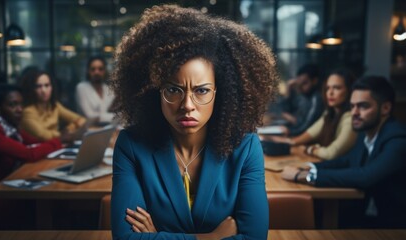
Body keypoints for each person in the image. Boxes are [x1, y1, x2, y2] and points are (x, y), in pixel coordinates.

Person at [109, 5, 278, 240]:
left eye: (201, 90)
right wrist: (211, 237)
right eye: (173, 89)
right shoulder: (131, 146)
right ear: (154, 91)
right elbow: (126, 238)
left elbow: (254, 237)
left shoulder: (245, 147)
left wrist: (158, 236)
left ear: (221, 93)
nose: (187, 104)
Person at [281, 76, 406, 228]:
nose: (355, 112)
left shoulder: (398, 139)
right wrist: (309, 166)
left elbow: (366, 176)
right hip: (366, 216)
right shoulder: (366, 131)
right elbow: (346, 161)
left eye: (363, 106)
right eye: (352, 106)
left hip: (392, 226)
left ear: (385, 108)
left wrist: (303, 176)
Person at [0, 84, 62, 229]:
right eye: (13, 105)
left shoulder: (10, 128)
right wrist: (59, 141)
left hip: (9, 188)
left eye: (21, 104)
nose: (20, 109)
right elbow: (29, 153)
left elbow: (37, 143)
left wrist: (52, 144)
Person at [267, 69, 357, 160]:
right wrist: (285, 140)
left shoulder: (350, 119)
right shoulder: (329, 113)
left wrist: (309, 149)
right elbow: (310, 133)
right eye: (328, 88)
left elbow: (330, 153)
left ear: (349, 91)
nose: (330, 93)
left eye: (337, 88)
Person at [19, 67, 86, 141]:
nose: (44, 90)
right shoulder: (28, 112)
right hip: (42, 148)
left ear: (52, 87)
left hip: (57, 145)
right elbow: (44, 135)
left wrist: (68, 129)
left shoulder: (54, 105)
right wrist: (63, 134)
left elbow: (80, 120)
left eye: (47, 85)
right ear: (31, 89)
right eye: (38, 86)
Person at [277, 64, 325, 136]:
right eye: (299, 84)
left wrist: (290, 130)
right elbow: (285, 111)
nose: (301, 87)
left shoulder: (317, 99)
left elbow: (307, 126)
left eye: (304, 83)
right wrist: (288, 90)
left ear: (314, 81)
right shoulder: (304, 97)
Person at [76, 56, 115, 124]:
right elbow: (90, 116)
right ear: (88, 71)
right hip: (87, 131)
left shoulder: (108, 89)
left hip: (107, 129)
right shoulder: (81, 87)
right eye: (93, 69)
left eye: (100, 69)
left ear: (105, 71)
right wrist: (114, 117)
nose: (97, 72)